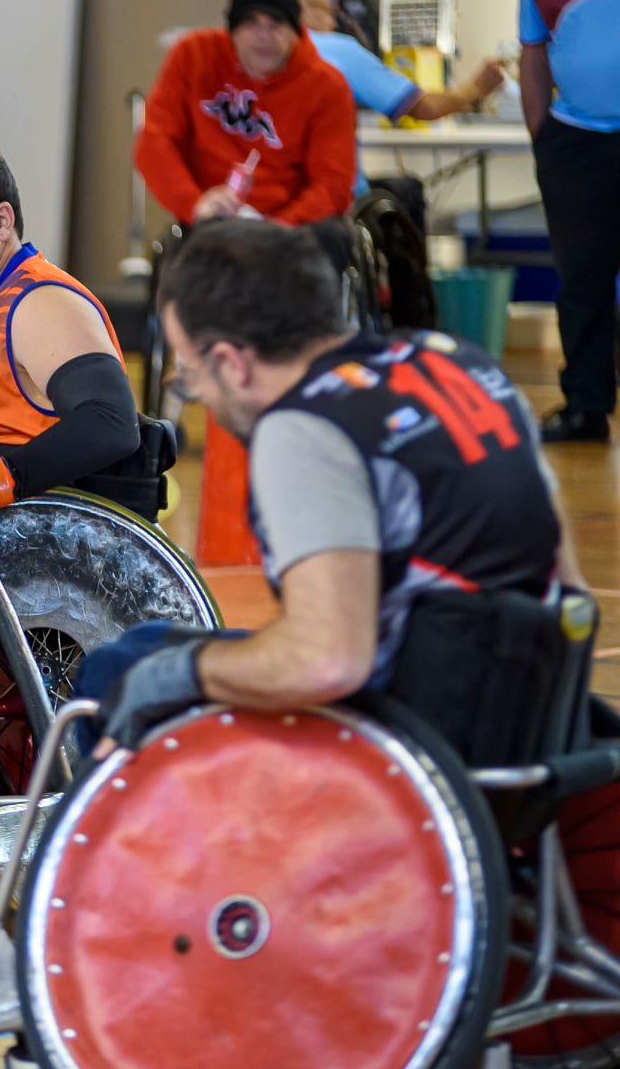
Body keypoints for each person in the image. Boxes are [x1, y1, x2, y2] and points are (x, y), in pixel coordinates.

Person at [74, 220, 577, 758]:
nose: (202, 398)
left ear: (231, 362)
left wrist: (180, 674)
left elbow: (327, 660)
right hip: (533, 709)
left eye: (192, 376)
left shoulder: (303, 427)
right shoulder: (458, 363)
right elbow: (566, 579)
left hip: (420, 733)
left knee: (120, 668)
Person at [0, 134, 172, 519]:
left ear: (1, 221)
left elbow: (112, 422)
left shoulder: (38, 303)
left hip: (76, 540)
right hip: (24, 523)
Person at [135, 0, 356, 229]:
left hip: (296, 228)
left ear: (296, 30)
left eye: (276, 24)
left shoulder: (327, 86)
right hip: (209, 217)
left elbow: (333, 183)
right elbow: (155, 142)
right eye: (250, 23)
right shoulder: (192, 57)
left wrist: (278, 230)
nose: (263, 36)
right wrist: (194, 205)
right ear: (232, 29)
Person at [518, 0, 620, 444]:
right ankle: (585, 406)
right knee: (582, 279)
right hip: (575, 141)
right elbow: (532, 51)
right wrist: (544, 140)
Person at [288, 0, 506, 199]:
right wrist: (477, 87)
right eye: (329, 12)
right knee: (407, 191)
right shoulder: (338, 50)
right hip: (332, 203)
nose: (334, 23)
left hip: (266, 201)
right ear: (305, 8)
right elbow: (424, 107)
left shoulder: (253, 56)